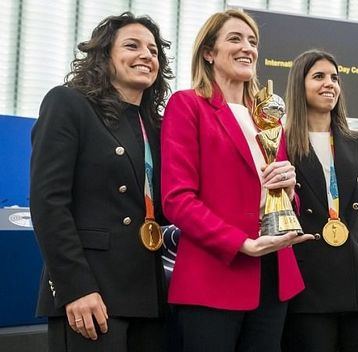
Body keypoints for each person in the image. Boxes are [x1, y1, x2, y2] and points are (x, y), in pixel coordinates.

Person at [160, 10, 314, 352]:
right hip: (215, 274)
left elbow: (285, 202)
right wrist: (241, 243)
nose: (248, 48)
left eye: (253, 41)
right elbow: (177, 199)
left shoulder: (268, 115)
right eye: (235, 38)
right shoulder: (187, 106)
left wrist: (289, 188)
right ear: (209, 52)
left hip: (274, 274)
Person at [30, 12, 173, 351]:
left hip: (150, 295)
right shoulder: (68, 104)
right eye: (132, 46)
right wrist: (75, 287)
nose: (146, 56)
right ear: (104, 55)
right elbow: (48, 203)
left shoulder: (158, 125)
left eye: (153, 51)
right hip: (92, 294)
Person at [282, 49, 358, 352]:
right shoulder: (279, 143)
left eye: (335, 78)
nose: (330, 84)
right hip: (307, 286)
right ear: (300, 84)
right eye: (319, 76)